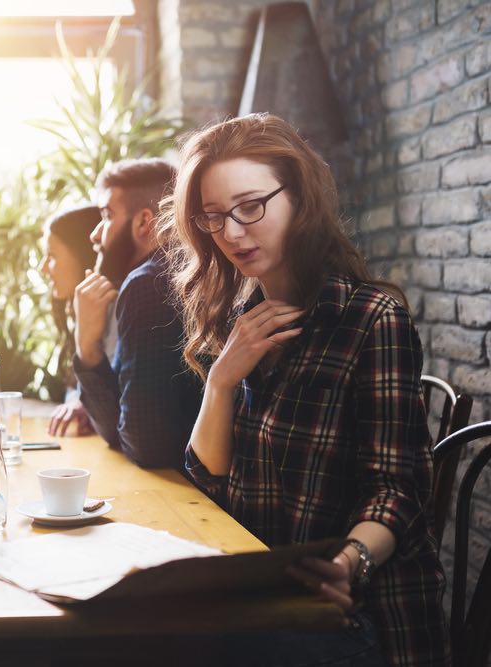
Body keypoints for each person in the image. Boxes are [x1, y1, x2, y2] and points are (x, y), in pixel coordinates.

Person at [170, 113, 448, 666]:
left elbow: (397, 489)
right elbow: (210, 477)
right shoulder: (245, 320)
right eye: (214, 217)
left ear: (299, 198)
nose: (231, 232)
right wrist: (222, 380)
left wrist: (348, 563)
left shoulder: (371, 318)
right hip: (263, 596)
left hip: (355, 611)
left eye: (250, 207)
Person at [72, 158, 203, 468]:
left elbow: (143, 446)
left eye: (106, 215)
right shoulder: (178, 274)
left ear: (146, 222)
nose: (94, 235)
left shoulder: (147, 285)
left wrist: (86, 345)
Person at [38, 205, 103, 437]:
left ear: (83, 254)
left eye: (52, 256)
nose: (43, 267)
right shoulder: (74, 314)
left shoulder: (114, 317)